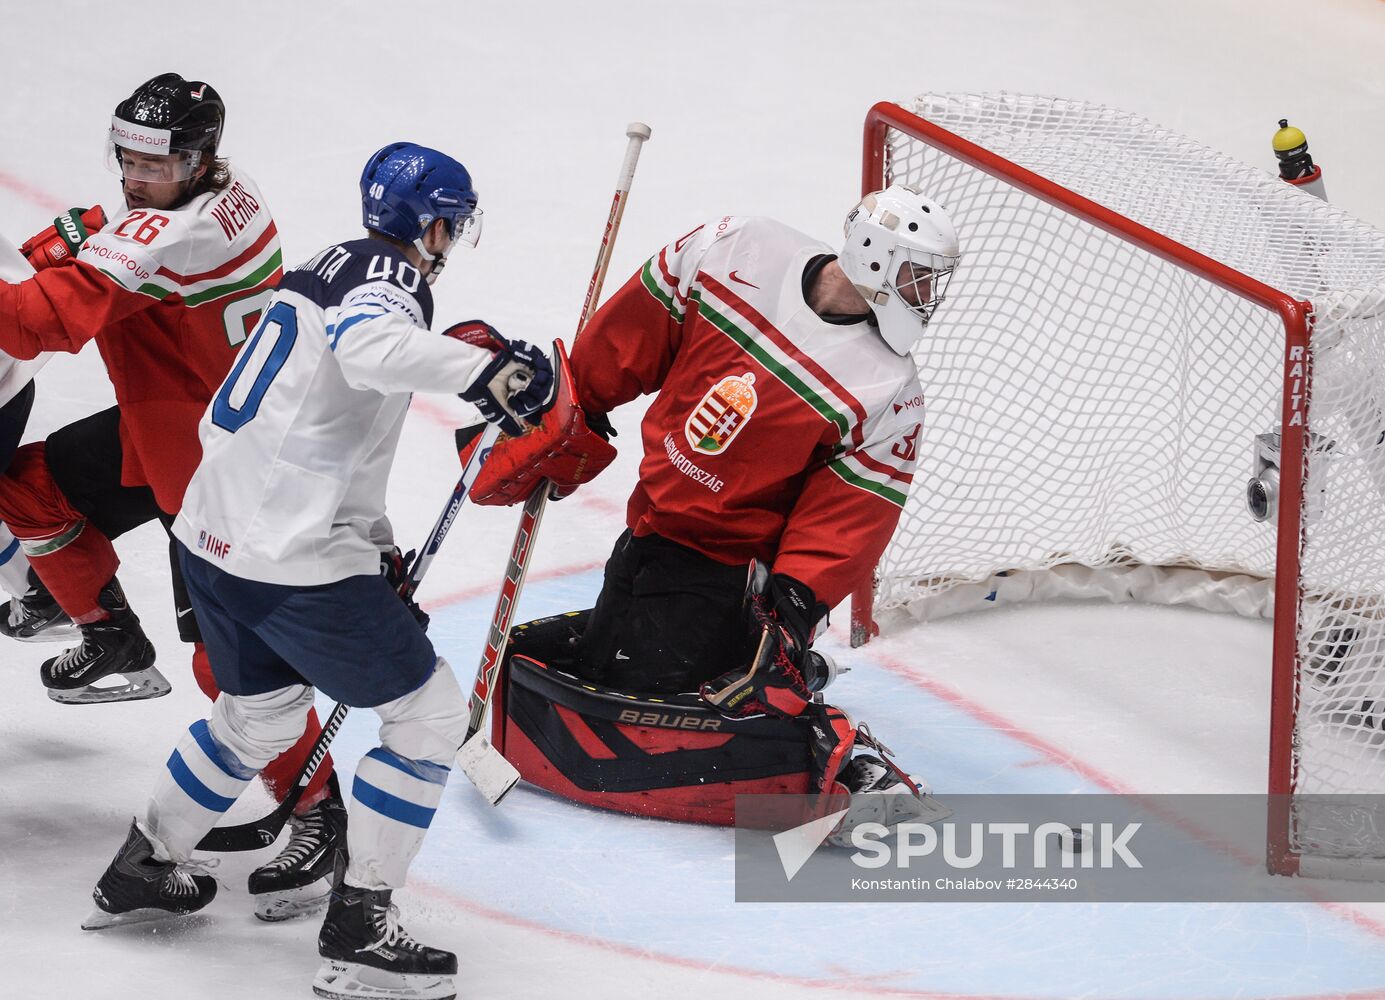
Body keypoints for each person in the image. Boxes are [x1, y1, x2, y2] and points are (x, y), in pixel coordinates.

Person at [86, 141, 553, 1000]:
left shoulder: (327, 262)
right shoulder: (393, 279)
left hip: (213, 534)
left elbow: (326, 422)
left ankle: (143, 868)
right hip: (288, 556)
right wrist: (487, 369)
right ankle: (361, 929)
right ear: (436, 223)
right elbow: (371, 350)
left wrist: (372, 548)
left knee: (256, 720)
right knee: (425, 719)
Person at [470, 184, 960, 830]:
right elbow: (635, 331)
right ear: (874, 255)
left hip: (729, 570)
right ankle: (773, 678)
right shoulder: (738, 248)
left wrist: (793, 606)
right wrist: (575, 404)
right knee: (600, 663)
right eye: (917, 277)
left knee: (641, 693)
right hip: (650, 530)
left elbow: (850, 512)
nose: (926, 296)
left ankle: (839, 759)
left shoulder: (885, 385)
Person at [0, 73, 347, 920]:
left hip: (216, 475)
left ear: (198, 160)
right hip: (170, 426)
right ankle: (109, 636)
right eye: (125, 158)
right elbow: (106, 232)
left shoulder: (169, 230)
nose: (133, 177)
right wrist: (89, 231)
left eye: (153, 164)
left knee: (227, 669)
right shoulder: (229, 194)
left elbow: (38, 321)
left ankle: (319, 812)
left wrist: (80, 247)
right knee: (25, 485)